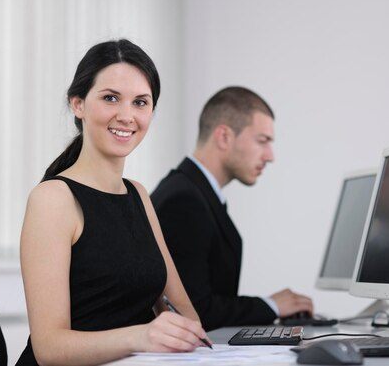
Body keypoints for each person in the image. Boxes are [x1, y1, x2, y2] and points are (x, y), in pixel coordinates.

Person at [16, 40, 211, 366]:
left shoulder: (138, 196)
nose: (127, 115)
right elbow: (48, 348)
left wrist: (183, 335)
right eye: (110, 98)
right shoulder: (53, 199)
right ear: (78, 104)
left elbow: (183, 310)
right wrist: (142, 336)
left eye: (140, 102)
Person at [151, 86, 314, 331]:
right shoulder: (184, 201)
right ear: (224, 136)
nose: (270, 156)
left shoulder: (192, 190)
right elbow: (193, 311)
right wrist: (271, 305)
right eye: (262, 141)